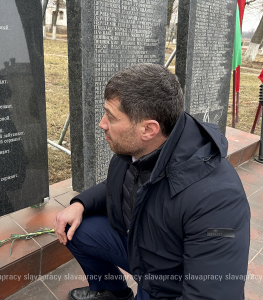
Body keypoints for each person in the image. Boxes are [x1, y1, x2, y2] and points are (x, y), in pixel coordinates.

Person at [54, 64, 250, 300]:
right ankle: (113, 291)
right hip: (140, 245)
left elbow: (213, 294)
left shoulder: (217, 200)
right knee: (75, 228)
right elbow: (118, 186)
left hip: (168, 284)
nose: (102, 124)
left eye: (112, 117)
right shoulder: (139, 148)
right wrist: (80, 204)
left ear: (149, 128)